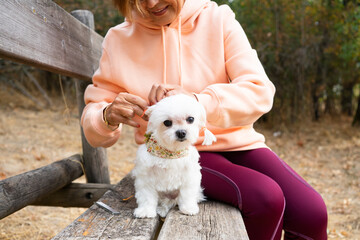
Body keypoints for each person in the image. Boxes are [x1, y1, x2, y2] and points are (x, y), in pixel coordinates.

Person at [81, 0, 328, 239]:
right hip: (177, 154)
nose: (151, 3)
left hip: (241, 144)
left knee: (311, 213)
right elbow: (95, 113)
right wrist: (106, 116)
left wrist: (198, 103)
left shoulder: (219, 19)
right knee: (266, 199)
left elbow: (260, 91)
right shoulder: (118, 39)